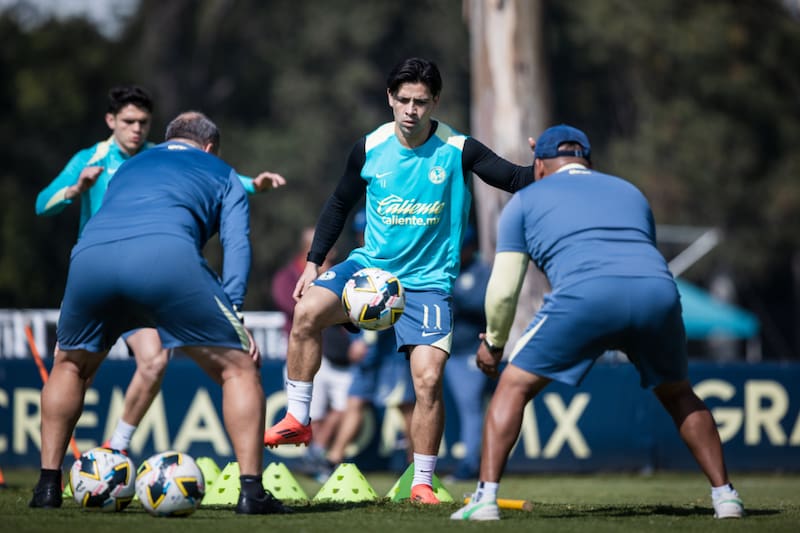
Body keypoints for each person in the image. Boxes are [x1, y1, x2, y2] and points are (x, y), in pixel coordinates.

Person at [263, 57, 535, 504]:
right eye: (404, 100)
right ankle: (298, 417)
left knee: (427, 381)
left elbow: (513, 178)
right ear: (390, 98)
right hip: (369, 272)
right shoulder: (368, 148)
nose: (411, 110)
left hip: (427, 283)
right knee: (307, 310)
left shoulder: (458, 149)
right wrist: (314, 263)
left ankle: (423, 481)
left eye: (421, 102)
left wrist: (550, 161)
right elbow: (338, 205)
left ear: (435, 103)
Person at [451, 124, 744, 521]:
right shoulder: (630, 192)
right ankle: (726, 497)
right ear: (586, 159)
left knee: (512, 386)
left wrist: (494, 345)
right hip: (657, 293)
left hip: (585, 295)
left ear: (539, 165)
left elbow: (503, 289)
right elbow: (639, 256)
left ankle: (485, 501)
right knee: (678, 394)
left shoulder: (524, 200)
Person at [29, 111, 288, 514]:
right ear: (208, 147)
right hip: (166, 257)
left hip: (91, 258)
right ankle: (252, 493)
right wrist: (234, 311)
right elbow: (238, 247)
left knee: (71, 365)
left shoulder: (129, 167)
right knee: (238, 370)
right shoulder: (220, 171)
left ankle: (47, 487)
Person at [271, 227, 361, 481]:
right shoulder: (288, 275)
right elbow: (294, 305)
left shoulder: (344, 271)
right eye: (325, 242)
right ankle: (317, 459)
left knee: (346, 408)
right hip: (307, 351)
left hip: (340, 356)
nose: (331, 247)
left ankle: (319, 454)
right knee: (315, 414)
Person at [443, 225, 493, 481]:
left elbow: (484, 302)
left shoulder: (481, 271)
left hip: (473, 352)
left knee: (471, 407)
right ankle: (469, 461)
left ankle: (470, 465)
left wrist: (455, 296)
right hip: (449, 351)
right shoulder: (447, 270)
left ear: (471, 248)